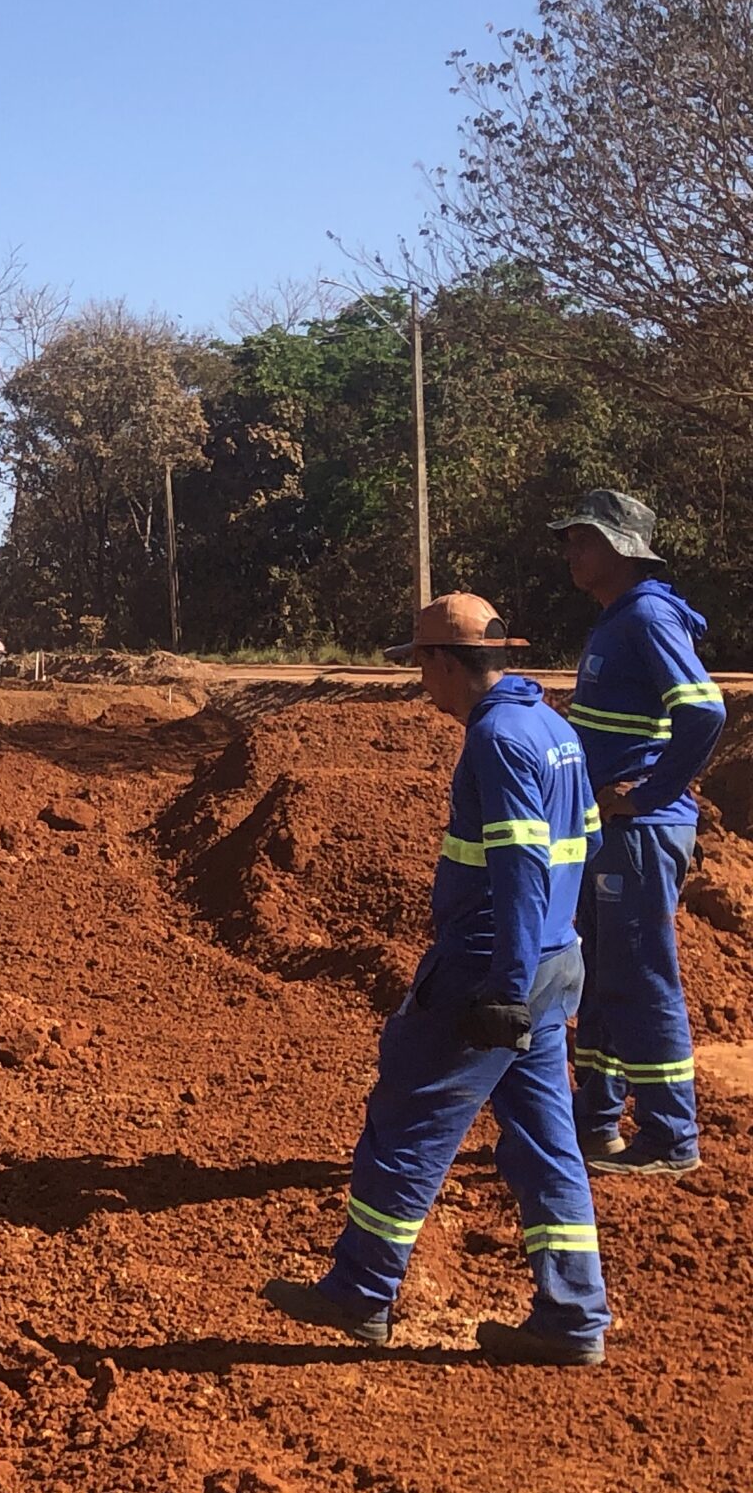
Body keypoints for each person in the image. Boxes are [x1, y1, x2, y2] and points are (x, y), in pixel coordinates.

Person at [264, 593, 610, 1365]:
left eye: (420, 663)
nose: (419, 682)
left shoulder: (496, 739)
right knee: (547, 1142)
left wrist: (506, 984)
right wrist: (558, 955)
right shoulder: (554, 728)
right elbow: (584, 844)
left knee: (408, 1120)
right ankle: (574, 1315)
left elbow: (520, 865)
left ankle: (359, 1292)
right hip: (554, 961)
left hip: (491, 967)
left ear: (445, 663)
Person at [551, 488, 728, 1177]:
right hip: (613, 833)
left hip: (642, 832)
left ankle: (670, 1136)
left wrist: (651, 793)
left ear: (621, 550)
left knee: (643, 980)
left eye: (583, 539)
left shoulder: (648, 616)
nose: (571, 552)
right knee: (600, 978)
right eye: (569, 539)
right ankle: (596, 1123)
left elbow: (704, 712)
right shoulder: (619, 618)